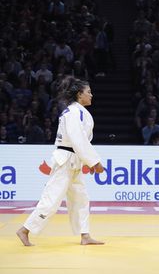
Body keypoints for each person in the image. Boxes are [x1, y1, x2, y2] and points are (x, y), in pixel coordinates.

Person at [16, 77, 105, 246]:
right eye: (88, 92)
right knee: (52, 199)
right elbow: (78, 140)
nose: (91, 95)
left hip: (74, 161)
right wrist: (94, 162)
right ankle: (24, 229)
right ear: (80, 94)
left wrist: (89, 161)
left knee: (81, 199)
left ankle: (84, 235)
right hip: (65, 161)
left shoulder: (78, 111)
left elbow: (81, 142)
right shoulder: (73, 112)